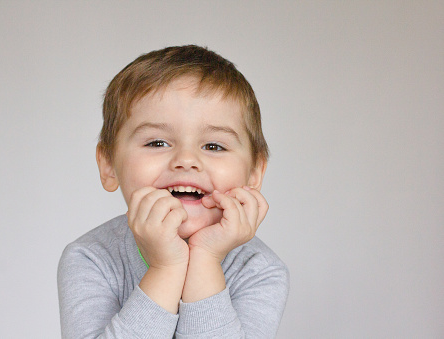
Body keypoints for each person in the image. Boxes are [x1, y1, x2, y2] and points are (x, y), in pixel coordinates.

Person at [57, 45, 289, 338]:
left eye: (213, 146)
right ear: (108, 165)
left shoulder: (260, 270)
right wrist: (166, 267)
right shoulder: (90, 257)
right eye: (157, 143)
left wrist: (205, 258)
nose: (186, 160)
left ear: (254, 174)